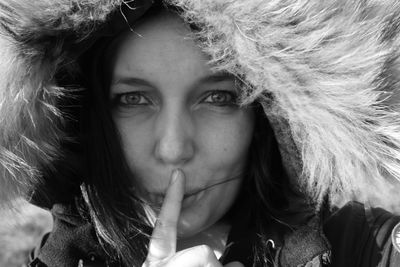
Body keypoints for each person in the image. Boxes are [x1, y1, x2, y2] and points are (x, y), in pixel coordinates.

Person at [1, 0, 400, 266]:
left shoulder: (369, 247)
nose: (174, 148)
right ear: (82, 119)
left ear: (269, 118)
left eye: (217, 97)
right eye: (133, 100)